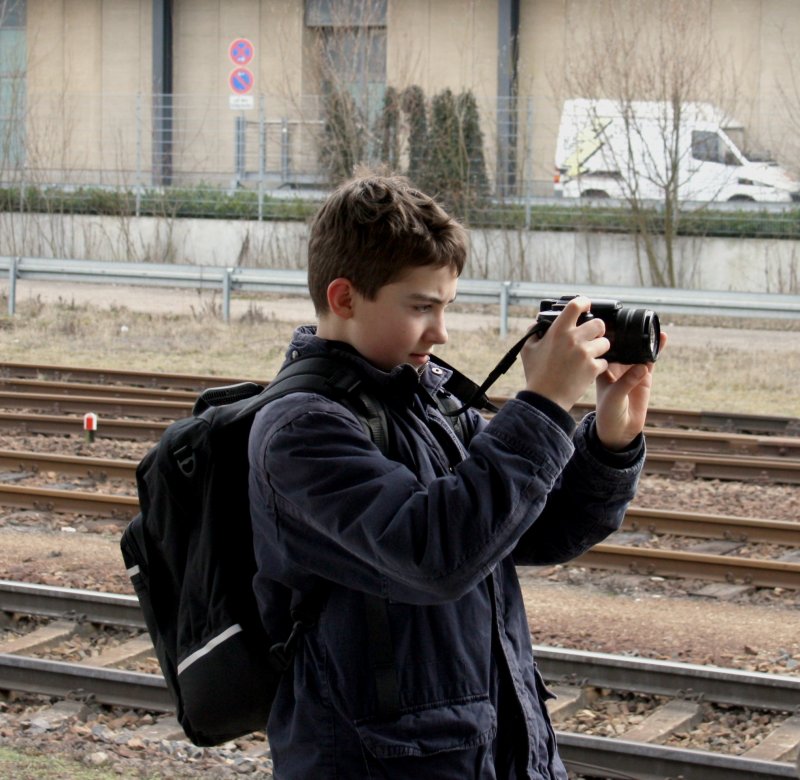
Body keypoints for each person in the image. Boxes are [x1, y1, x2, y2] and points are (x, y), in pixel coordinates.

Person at [248, 168, 666, 779]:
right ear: (344, 298)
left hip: (495, 750)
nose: (441, 332)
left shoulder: (431, 404)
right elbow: (434, 554)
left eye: (445, 306)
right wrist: (544, 405)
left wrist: (608, 440)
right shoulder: (299, 431)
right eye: (421, 307)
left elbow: (525, 530)